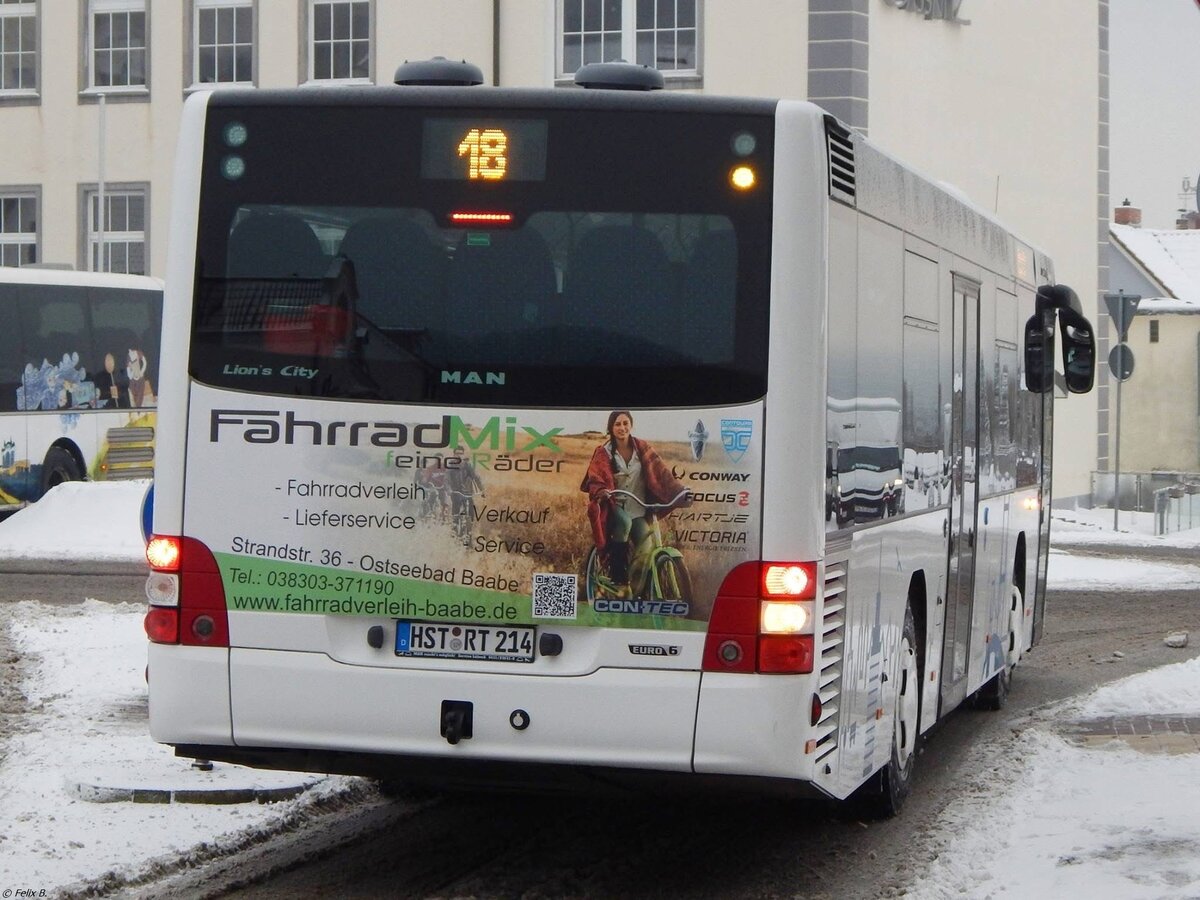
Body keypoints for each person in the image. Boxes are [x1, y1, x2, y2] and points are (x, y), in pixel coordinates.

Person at [580, 410, 689, 593]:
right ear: (611, 428)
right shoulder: (603, 452)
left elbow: (661, 473)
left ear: (631, 425)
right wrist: (601, 491)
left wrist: (680, 491)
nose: (622, 428)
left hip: (638, 507)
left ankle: (636, 589)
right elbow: (595, 477)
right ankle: (618, 578)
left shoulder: (643, 448)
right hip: (615, 506)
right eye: (617, 424)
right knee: (624, 522)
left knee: (646, 545)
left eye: (625, 423)